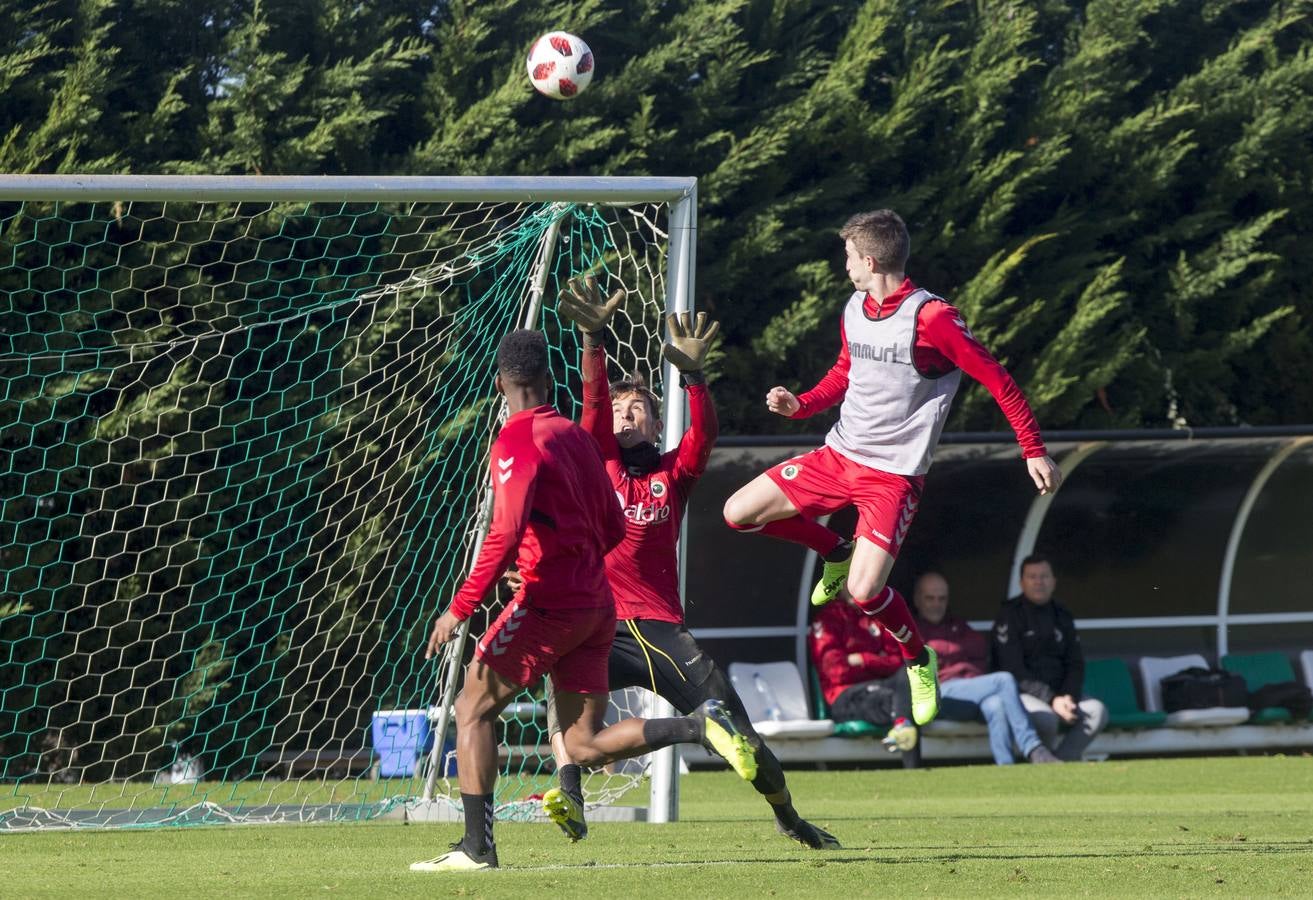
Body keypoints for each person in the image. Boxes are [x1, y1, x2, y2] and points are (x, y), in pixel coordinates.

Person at [411, 329, 757, 873]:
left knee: (470, 708)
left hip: (549, 602)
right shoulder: (574, 436)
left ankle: (476, 848)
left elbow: (503, 531)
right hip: (597, 607)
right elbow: (615, 527)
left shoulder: (516, 440)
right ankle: (701, 725)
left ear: (501, 383)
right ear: (548, 380)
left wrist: (460, 606)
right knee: (583, 742)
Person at [722, 209, 1063, 731]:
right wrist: (802, 405)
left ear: (871, 259)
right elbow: (845, 372)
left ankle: (918, 660)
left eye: (849, 258)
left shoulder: (933, 320)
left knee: (864, 593)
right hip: (838, 456)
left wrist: (1032, 448)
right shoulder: (855, 306)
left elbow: (997, 380)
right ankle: (833, 549)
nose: (846, 267)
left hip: (892, 477)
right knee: (737, 513)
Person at [530, 277, 838, 850]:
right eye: (620, 409)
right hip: (600, 627)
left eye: (638, 408)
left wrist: (694, 378)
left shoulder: (673, 474)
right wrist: (593, 341)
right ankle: (570, 794)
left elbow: (706, 434)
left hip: (662, 629)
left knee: (741, 734)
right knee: (575, 735)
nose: (625, 415)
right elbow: (593, 406)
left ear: (655, 421)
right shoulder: (598, 462)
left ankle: (789, 816)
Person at [911, 572, 1059, 765]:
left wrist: (952, 655)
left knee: (996, 704)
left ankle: (1006, 768)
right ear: (917, 599)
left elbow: (980, 646)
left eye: (942, 598)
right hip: (940, 694)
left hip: (973, 690)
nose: (936, 604)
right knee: (1003, 680)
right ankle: (1032, 747)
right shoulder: (913, 629)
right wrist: (959, 655)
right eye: (930, 598)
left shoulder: (956, 625)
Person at [990, 555, 1108, 762]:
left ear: (1053, 581)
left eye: (1044, 576)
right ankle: (1046, 766)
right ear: (1021, 583)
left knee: (1097, 711)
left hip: (1062, 696)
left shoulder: (1062, 615)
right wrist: (1051, 699)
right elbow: (1013, 670)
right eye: (1032, 577)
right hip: (1025, 694)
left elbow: (1075, 663)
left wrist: (1068, 696)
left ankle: (1060, 763)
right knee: (1047, 719)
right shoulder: (1009, 615)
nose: (1039, 582)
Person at [809, 587, 921, 767]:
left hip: (880, 686)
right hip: (844, 696)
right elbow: (836, 671)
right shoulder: (828, 619)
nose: (856, 585)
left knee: (907, 674)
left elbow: (896, 661)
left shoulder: (879, 615)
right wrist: (879, 661)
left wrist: (863, 659)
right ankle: (913, 769)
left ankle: (902, 727)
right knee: (901, 702)